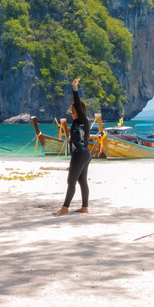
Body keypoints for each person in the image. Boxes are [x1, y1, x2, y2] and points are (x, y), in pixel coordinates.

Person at [54, 78, 91, 216]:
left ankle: (65, 207)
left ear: (80, 111)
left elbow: (77, 103)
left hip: (81, 155)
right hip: (84, 154)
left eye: (73, 110)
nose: (71, 112)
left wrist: (75, 89)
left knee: (71, 181)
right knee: (81, 181)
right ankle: (85, 207)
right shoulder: (77, 123)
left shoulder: (82, 120)